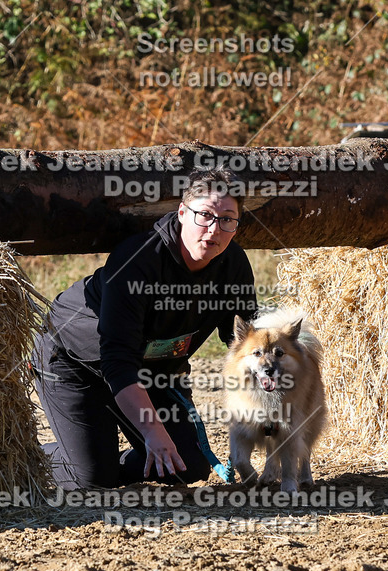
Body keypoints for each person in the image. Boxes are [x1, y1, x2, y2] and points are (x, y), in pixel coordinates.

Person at [33, 167, 258, 489]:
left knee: (187, 467)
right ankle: (26, 457)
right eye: (205, 215)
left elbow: (245, 337)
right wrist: (153, 431)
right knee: (92, 479)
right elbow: (117, 361)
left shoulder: (233, 264)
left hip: (149, 371)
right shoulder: (138, 261)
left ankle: (104, 455)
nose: (214, 230)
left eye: (227, 219)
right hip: (76, 362)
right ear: (182, 212)